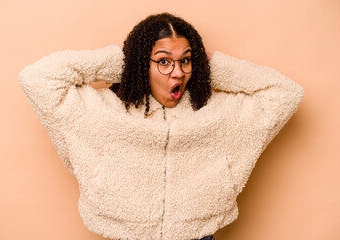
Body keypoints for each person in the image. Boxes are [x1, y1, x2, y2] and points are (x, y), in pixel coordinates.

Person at [18, 13, 304, 240]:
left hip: (198, 237)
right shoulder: (105, 112)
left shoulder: (218, 114)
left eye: (186, 61)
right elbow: (37, 78)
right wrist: (125, 63)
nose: (177, 72)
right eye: (164, 61)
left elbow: (286, 93)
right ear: (143, 64)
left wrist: (207, 69)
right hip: (126, 237)